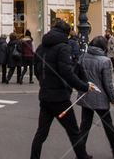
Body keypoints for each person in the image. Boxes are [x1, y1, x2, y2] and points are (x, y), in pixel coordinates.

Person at [29, 20, 94, 159]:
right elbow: (67, 73)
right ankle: (83, 156)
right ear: (66, 32)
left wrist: (44, 83)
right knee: (73, 131)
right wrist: (84, 86)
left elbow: (36, 70)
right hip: (60, 97)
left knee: (41, 133)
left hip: (45, 96)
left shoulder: (41, 47)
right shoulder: (63, 47)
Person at [76, 36, 114, 158]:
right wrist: (113, 98)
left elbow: (77, 75)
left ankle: (80, 152)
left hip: (86, 95)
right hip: (100, 98)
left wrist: (82, 88)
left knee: (85, 125)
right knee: (108, 124)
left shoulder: (83, 57)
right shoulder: (105, 61)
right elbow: (107, 83)